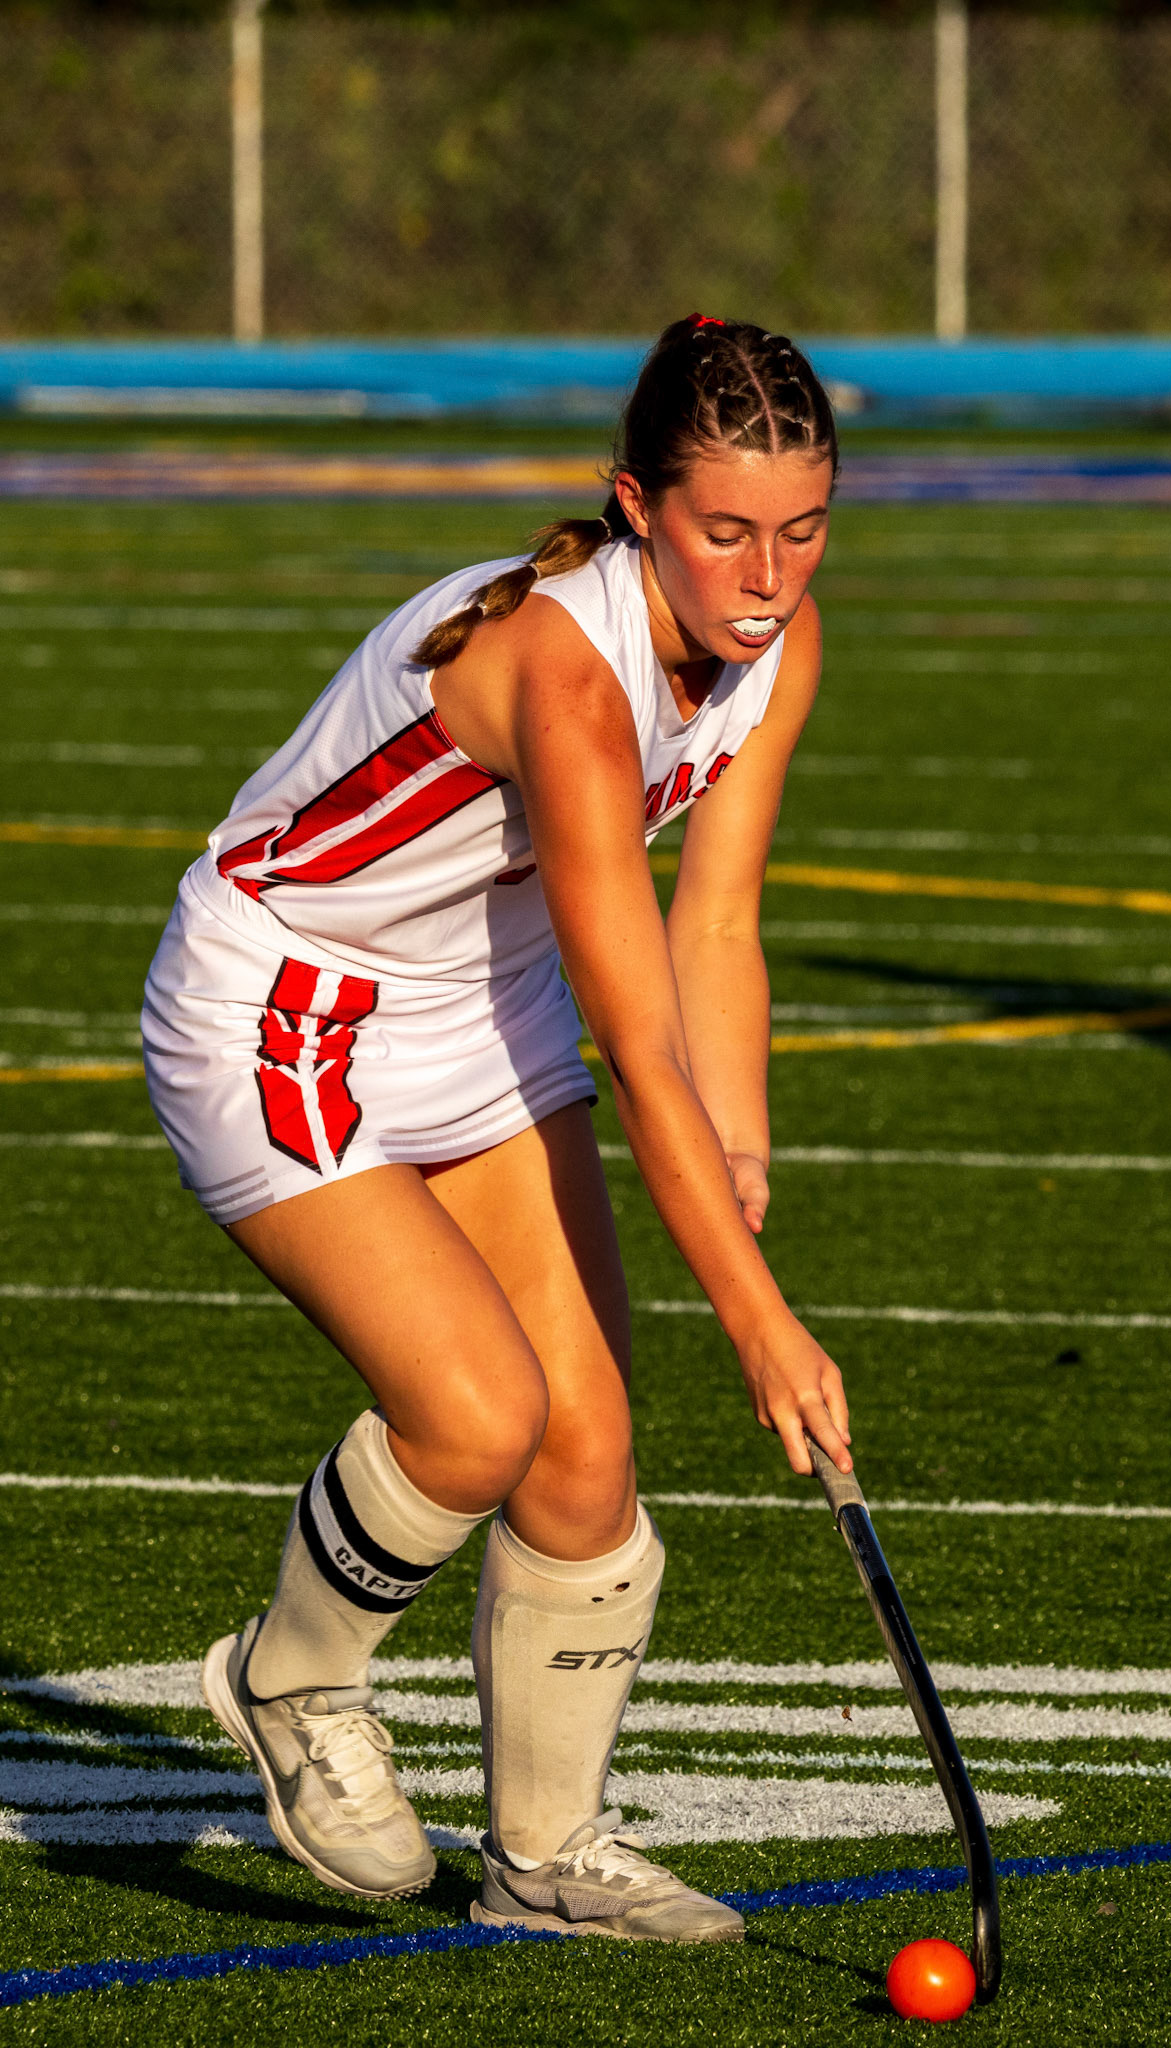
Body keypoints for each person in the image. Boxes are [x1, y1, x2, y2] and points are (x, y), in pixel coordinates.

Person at [141, 314, 853, 1945]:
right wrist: (759, 1323)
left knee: (584, 1457)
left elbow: (716, 927)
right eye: (724, 531)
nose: (765, 577)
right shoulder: (562, 674)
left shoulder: (779, 644)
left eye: (803, 529)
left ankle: (543, 1858)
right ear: (635, 504)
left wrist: (740, 1150)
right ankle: (291, 1679)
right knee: (475, 1419)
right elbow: (635, 1035)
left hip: (482, 1005)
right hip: (289, 1007)